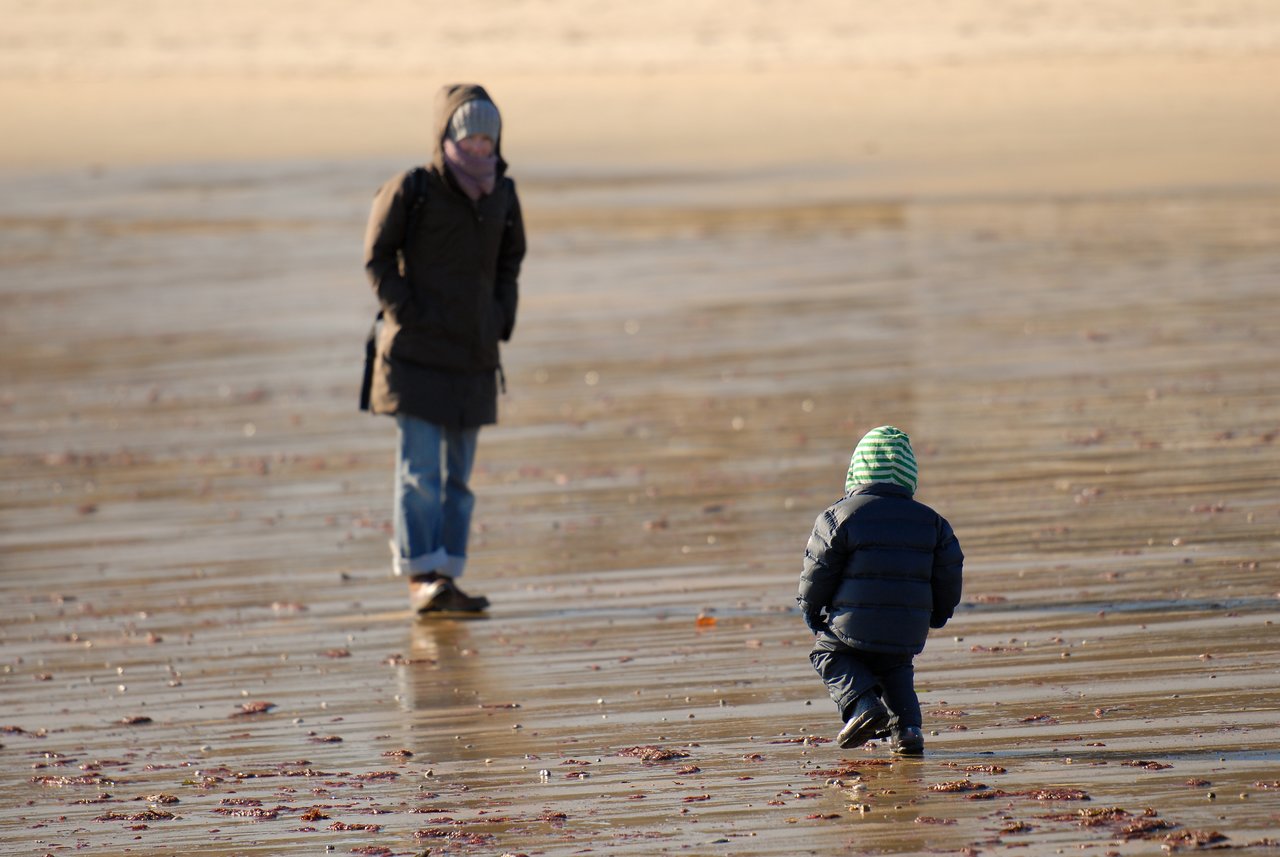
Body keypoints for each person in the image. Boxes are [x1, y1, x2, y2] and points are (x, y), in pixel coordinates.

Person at [363, 83, 526, 614]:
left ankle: (446, 579)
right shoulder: (414, 188)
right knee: (419, 475)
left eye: (487, 136)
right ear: (448, 137)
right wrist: (408, 313)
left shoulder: (503, 192)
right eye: (470, 136)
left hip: (474, 358)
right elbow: (378, 257)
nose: (479, 146)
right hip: (415, 356)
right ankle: (420, 577)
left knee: (459, 479)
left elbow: (510, 262)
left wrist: (500, 318)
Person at [797, 425, 963, 755]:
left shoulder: (838, 516)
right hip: (907, 627)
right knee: (896, 671)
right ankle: (908, 732)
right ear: (909, 478)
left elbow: (819, 571)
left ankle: (862, 706)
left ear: (855, 474)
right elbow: (948, 574)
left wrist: (811, 609)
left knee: (827, 653)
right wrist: (939, 614)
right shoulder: (933, 523)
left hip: (852, 623)